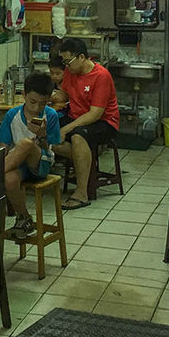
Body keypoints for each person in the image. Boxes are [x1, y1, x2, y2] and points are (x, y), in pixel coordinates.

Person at [52, 38, 119, 210]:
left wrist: (67, 128)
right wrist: (45, 97)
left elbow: (95, 114)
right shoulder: (71, 72)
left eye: (68, 61)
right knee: (48, 133)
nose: (66, 66)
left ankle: (81, 193)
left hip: (104, 122)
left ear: (81, 57)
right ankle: (84, 160)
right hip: (77, 117)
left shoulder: (101, 76)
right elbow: (64, 95)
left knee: (77, 136)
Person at [0, 73, 61, 239]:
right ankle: (24, 218)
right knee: (9, 180)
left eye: (43, 103)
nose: (37, 107)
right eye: (33, 102)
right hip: (18, 164)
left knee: (26, 143)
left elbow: (53, 147)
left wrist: (42, 135)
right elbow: (3, 146)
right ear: (23, 95)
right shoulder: (13, 115)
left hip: (41, 163)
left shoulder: (51, 115)